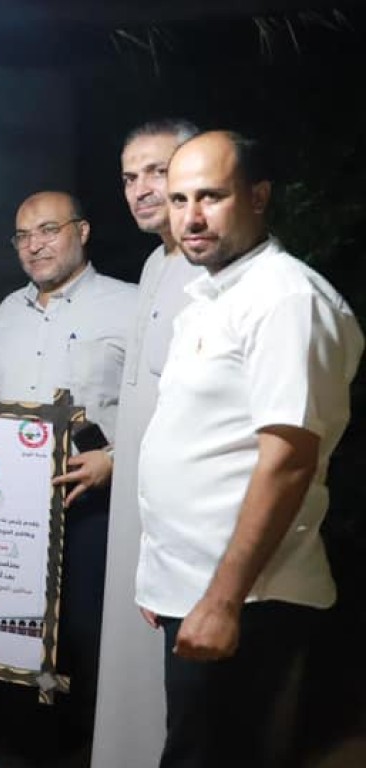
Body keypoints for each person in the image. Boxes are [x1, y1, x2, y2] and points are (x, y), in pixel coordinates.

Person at [137, 130, 363, 768]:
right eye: (179, 199)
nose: (191, 217)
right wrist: (164, 574)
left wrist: (221, 600)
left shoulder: (286, 299)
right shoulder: (213, 295)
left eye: (212, 196)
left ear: (259, 196)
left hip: (251, 599)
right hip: (196, 587)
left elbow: (287, 460)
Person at [0, 191, 137, 766]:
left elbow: (165, 405)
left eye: (48, 230)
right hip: (14, 508)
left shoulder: (129, 305)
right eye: (23, 236)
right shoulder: (8, 310)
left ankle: (88, 752)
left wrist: (116, 458)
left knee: (85, 634)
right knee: (14, 626)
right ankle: (16, 749)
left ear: (82, 231)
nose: (34, 245)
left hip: (91, 501)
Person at [91, 117, 202, 768]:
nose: (141, 188)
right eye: (130, 177)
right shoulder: (156, 263)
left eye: (157, 170)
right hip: (135, 510)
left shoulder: (216, 270)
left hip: (185, 524)